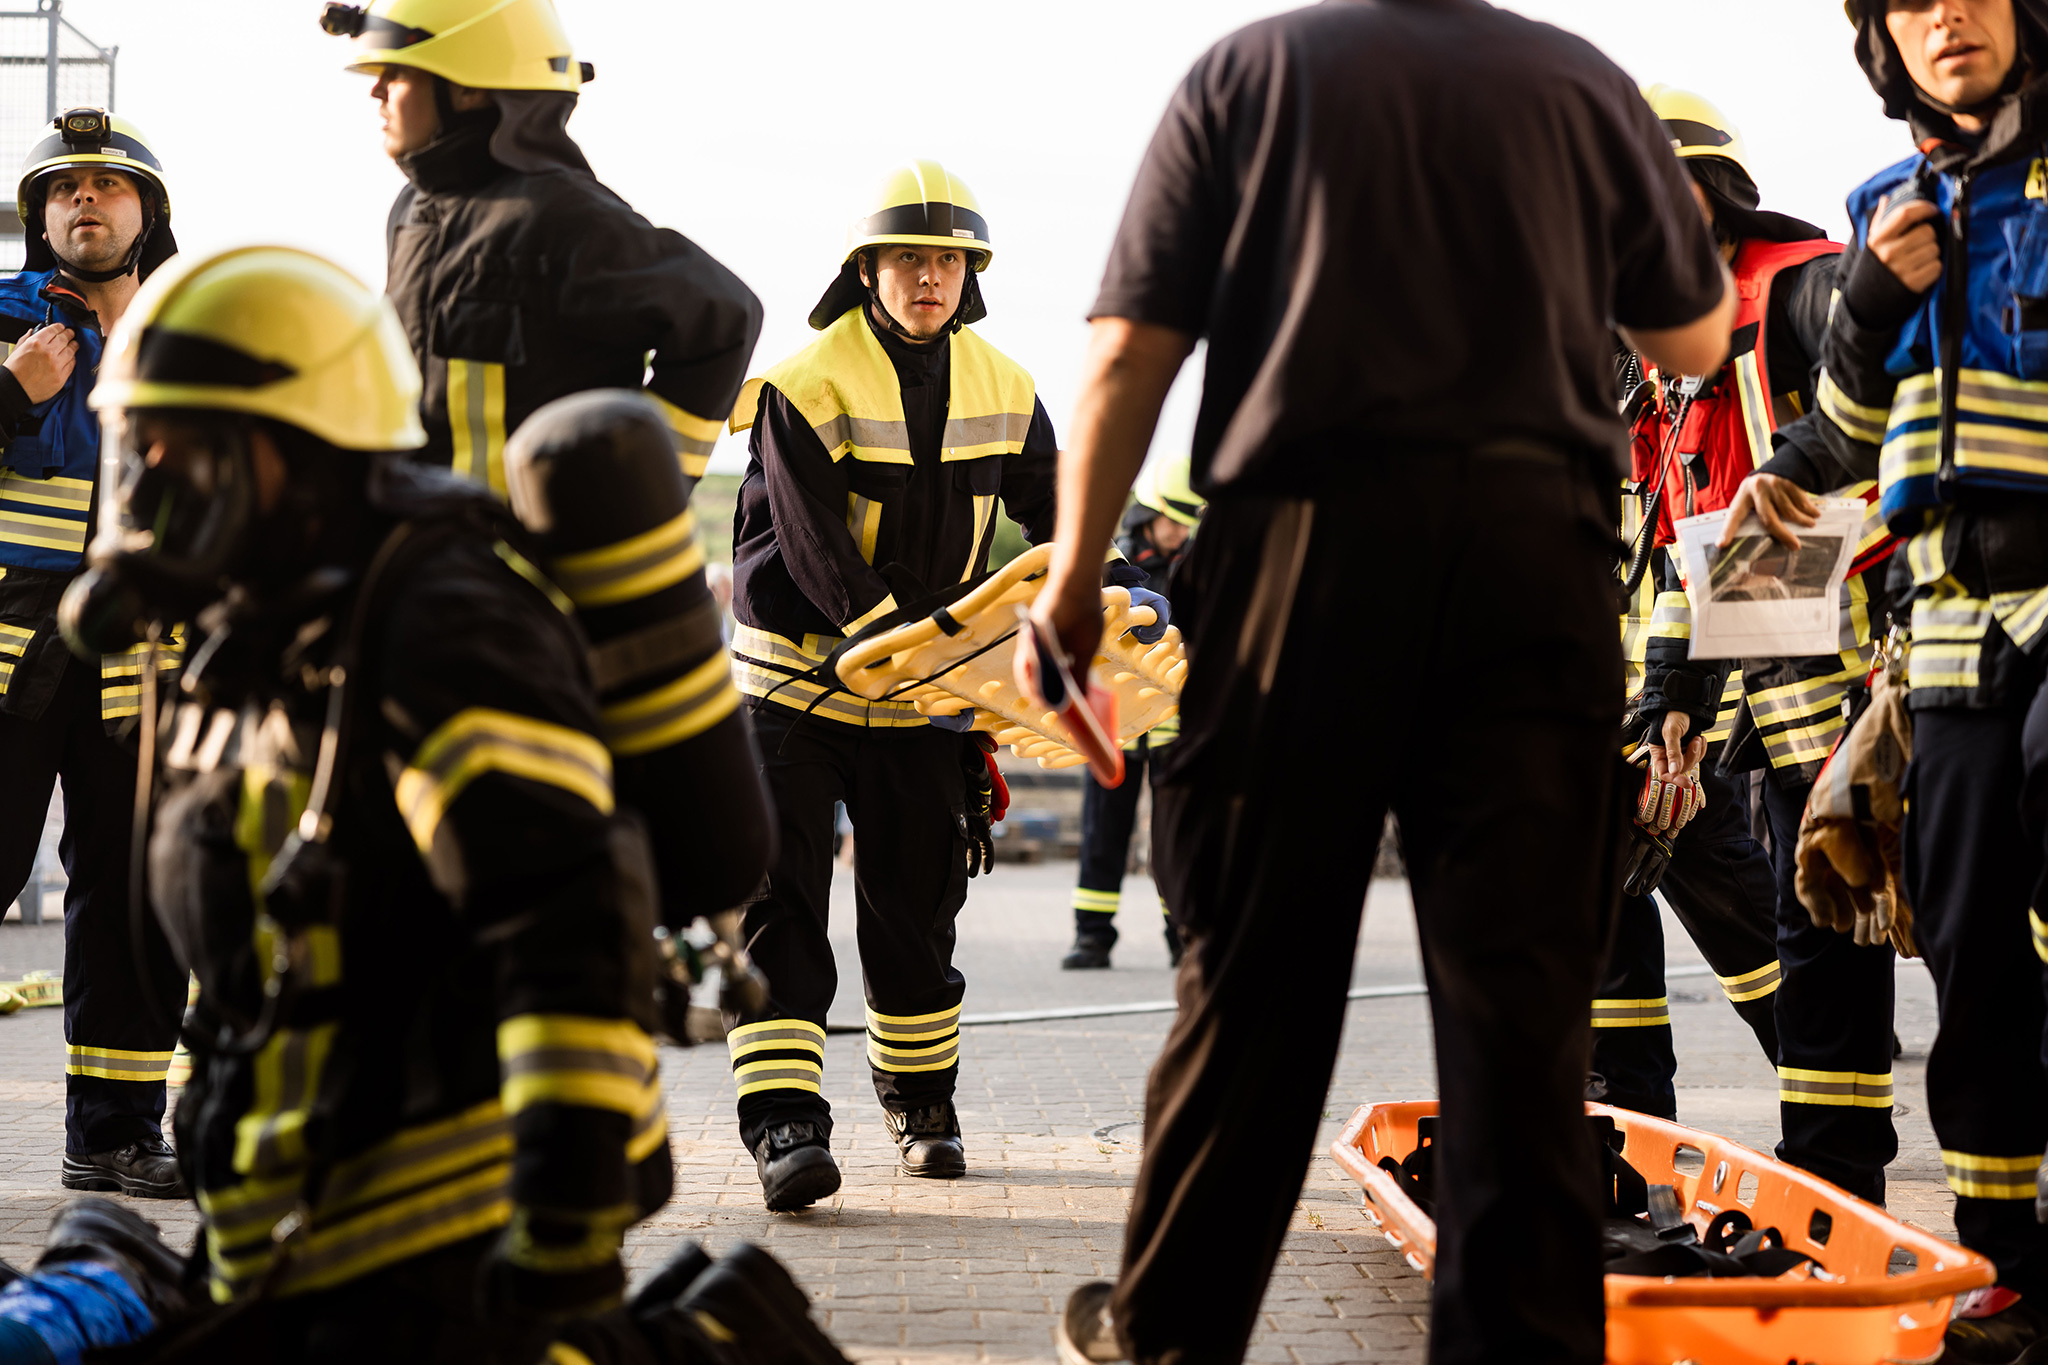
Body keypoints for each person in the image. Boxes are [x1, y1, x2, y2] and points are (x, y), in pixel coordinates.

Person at [1029, 6, 1735, 1361]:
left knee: (1254, 982)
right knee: (1522, 1013)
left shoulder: (1249, 73)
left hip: (1305, 555)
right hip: (1538, 568)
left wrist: (1068, 586)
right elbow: (1698, 338)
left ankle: (1168, 1335)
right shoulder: (1583, 85)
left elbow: (1129, 350)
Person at [56, 243, 845, 1365]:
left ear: (293, 447)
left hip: (439, 1264)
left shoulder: (439, 624)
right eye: (141, 447)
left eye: (184, 445)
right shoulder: (258, 644)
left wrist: (558, 1246)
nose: (149, 488)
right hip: (287, 1243)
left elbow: (568, 929)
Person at [723, 159, 1093, 1210]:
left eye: (945, 261)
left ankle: (921, 1104)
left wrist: (1103, 584)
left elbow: (1051, 505)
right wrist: (894, 632)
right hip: (793, 691)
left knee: (916, 911)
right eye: (906, 260)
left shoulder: (1005, 383)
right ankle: (785, 1126)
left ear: (966, 275)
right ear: (865, 270)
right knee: (781, 906)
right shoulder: (805, 382)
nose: (927, 277)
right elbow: (809, 543)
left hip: (924, 698)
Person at [1792, 1, 2048, 1357]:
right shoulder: (1879, 208)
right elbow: (1838, 446)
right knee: (1971, 945)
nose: (1946, 12)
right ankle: (2004, 1262)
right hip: (1949, 625)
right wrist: (1868, 309)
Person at [324, 0, 761, 497]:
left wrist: (640, 481)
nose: (377, 90)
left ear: (467, 87)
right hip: (428, 552)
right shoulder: (413, 211)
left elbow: (725, 316)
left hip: (534, 565)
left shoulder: (567, 218)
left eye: (397, 73)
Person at [0, 108, 187, 1200]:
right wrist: (8, 391)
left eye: (108, 186)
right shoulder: (2, 323)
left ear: (147, 215)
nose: (84, 200)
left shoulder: (197, 338)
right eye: (62, 187)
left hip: (144, 664)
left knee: (132, 904)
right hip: (11, 661)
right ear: (38, 217)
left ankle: (115, 1134)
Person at [1063, 455, 1202, 971]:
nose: (1179, 532)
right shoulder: (1116, 568)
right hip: (1114, 725)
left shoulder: (1197, 564)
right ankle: (1092, 937)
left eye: (1188, 523)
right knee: (1103, 832)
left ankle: (1183, 935)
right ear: (1148, 514)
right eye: (1173, 520)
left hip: (1171, 726)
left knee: (1174, 834)